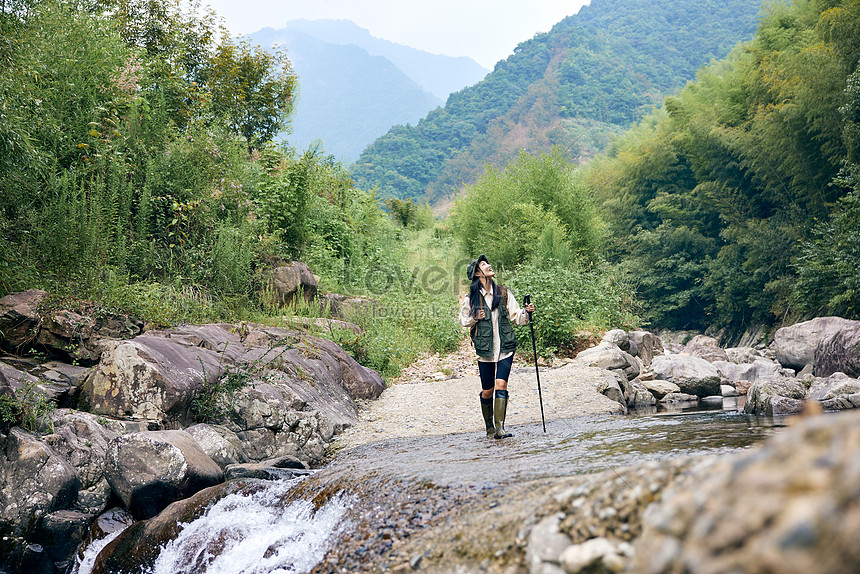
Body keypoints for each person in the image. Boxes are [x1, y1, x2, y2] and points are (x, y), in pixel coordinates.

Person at [459, 255, 535, 439]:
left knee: (501, 384)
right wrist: (475, 316)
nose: (489, 266)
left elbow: (517, 316)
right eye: (484, 265)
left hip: (505, 348)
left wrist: (527, 312)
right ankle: (489, 427)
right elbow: (463, 321)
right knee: (488, 391)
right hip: (485, 351)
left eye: (487, 263)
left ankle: (500, 429)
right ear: (477, 273)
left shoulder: (503, 292)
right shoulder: (471, 299)